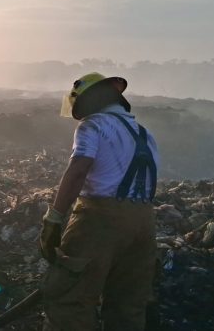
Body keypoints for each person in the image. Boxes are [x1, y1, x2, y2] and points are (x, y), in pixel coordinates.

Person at [39, 73, 160, 331]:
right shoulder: (145, 134)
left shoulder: (92, 126)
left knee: (69, 300)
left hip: (100, 221)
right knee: (127, 307)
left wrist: (55, 218)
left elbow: (78, 169)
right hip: (144, 225)